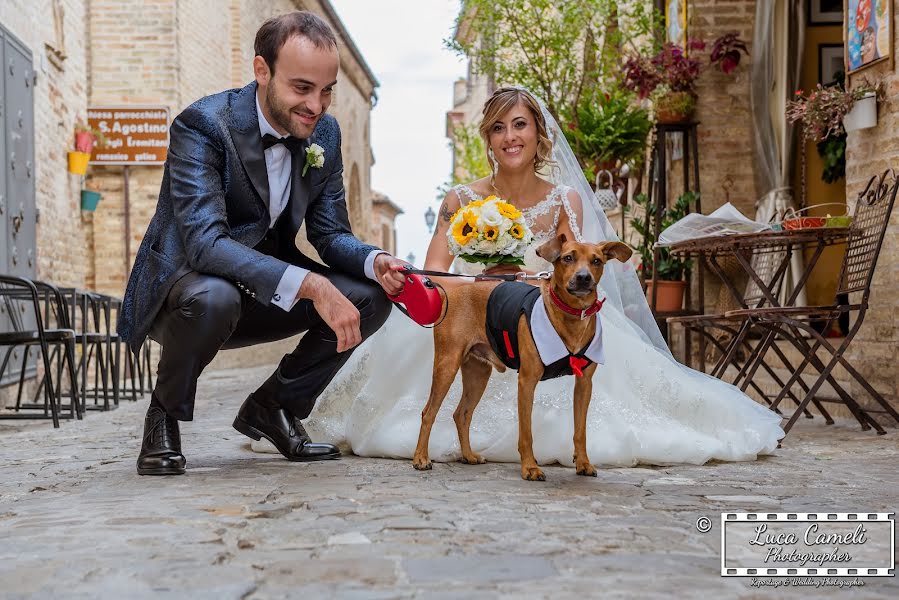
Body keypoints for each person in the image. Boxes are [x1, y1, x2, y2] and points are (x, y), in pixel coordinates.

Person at [259, 87, 784, 468]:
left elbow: (575, 267)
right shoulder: (460, 200)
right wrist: (482, 284)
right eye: (498, 127)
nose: (510, 137)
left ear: (538, 133)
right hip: (477, 311)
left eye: (520, 125)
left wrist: (532, 283)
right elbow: (436, 271)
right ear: (487, 137)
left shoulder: (564, 199)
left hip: (544, 318)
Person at [118, 11, 407, 476]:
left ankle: (274, 407)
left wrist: (378, 262)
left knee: (369, 297)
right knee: (215, 296)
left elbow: (330, 234)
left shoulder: (324, 134)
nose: (316, 105)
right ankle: (163, 415)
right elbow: (205, 244)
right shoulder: (202, 126)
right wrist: (311, 284)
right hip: (189, 291)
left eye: (327, 90)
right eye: (302, 88)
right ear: (262, 71)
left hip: (264, 287)